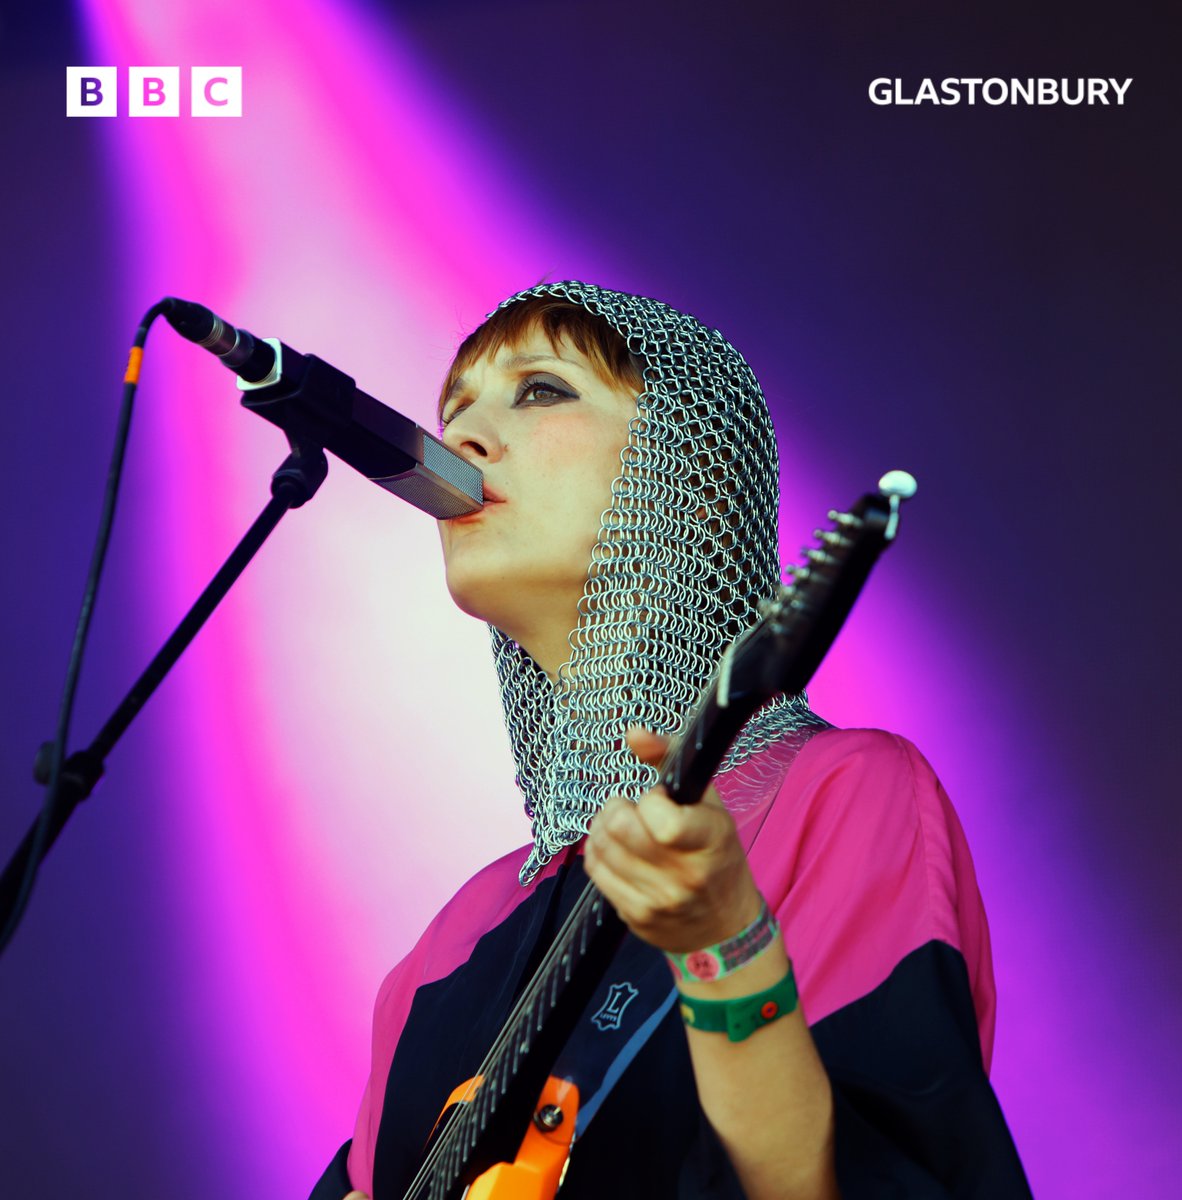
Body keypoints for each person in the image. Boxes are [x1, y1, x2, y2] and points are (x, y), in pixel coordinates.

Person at [309, 282, 1031, 1199]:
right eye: (455, 409)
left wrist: (726, 945)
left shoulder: (840, 793)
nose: (462, 438)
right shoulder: (450, 941)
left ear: (693, 484)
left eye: (539, 390)